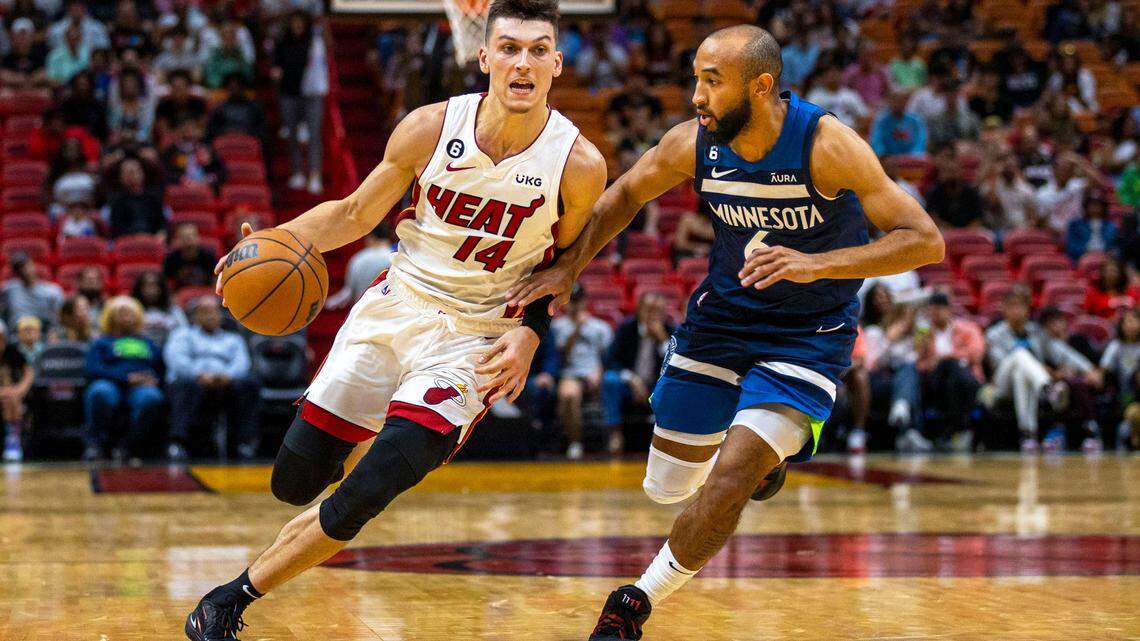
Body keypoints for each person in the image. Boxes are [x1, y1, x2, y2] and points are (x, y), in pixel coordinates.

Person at [184, 1, 608, 639]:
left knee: (372, 488)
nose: (524, 63)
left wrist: (532, 333)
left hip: (478, 334)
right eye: (512, 48)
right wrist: (267, 242)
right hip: (398, 304)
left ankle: (233, 597)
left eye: (539, 50)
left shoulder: (578, 164)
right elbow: (355, 212)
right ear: (485, 55)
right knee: (294, 483)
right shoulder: (430, 128)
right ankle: (348, 458)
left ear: (556, 62)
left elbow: (565, 264)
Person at [505, 25, 943, 639]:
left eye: (712, 81)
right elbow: (628, 191)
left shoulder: (827, 145)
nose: (696, 96)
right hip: (721, 322)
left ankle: (634, 602)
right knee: (668, 487)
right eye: (696, 79)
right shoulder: (696, 144)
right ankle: (765, 463)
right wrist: (570, 268)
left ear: (761, 87)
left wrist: (813, 263)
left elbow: (925, 241)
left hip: (809, 333)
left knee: (730, 477)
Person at [163, 296, 258, 461]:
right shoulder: (182, 335)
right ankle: (178, 443)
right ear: (195, 316)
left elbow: (242, 363)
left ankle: (243, 443)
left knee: (249, 384)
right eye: (205, 311)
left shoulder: (233, 339)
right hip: (193, 382)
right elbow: (177, 361)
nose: (210, 315)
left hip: (224, 383)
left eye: (214, 311)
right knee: (185, 384)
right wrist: (199, 375)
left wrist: (227, 376)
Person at [982, 293, 1071, 452]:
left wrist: (1088, 368)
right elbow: (999, 362)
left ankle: (1028, 435)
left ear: (1027, 310)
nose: (1016, 310)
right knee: (1020, 355)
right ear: (1004, 310)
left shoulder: (1036, 331)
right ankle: (1048, 388)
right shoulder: (994, 334)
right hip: (1001, 383)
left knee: (1021, 375)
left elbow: (1061, 352)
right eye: (1012, 306)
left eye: (1020, 306)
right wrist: (1040, 367)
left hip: (1027, 380)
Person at [82, 296, 164, 462]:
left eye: (131, 313)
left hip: (141, 387)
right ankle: (98, 445)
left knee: (151, 397)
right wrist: (125, 378)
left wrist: (153, 379)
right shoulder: (102, 342)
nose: (127, 317)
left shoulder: (148, 343)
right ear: (111, 316)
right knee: (100, 392)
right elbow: (93, 368)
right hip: (110, 382)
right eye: (122, 313)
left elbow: (161, 368)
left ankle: (130, 445)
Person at [603, 291, 673, 454]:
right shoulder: (626, 328)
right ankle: (615, 433)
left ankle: (666, 438)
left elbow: (676, 368)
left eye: (658, 311)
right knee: (610, 380)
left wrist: (663, 340)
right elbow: (611, 361)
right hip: (629, 384)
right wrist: (632, 379)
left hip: (656, 387)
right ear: (639, 310)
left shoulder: (670, 331)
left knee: (676, 385)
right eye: (649, 310)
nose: (653, 316)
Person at [914, 292, 983, 451]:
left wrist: (945, 358)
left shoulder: (967, 329)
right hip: (936, 383)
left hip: (963, 380)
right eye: (932, 309)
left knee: (953, 370)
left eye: (939, 309)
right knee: (951, 367)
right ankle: (962, 430)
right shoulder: (924, 333)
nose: (936, 313)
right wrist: (933, 359)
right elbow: (918, 364)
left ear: (949, 310)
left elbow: (976, 354)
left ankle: (954, 429)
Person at [551, 284, 613, 460]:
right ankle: (575, 442)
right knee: (568, 396)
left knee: (611, 385)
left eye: (578, 301)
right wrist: (577, 329)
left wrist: (598, 373)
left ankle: (612, 440)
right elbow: (560, 357)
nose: (574, 305)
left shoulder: (600, 327)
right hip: (571, 372)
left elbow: (608, 357)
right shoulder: (558, 327)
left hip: (595, 372)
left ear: (585, 301)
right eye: (571, 301)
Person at [273, 10, 328, 194]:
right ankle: (297, 172)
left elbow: (325, 57)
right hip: (289, 93)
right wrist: (277, 73)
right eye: (294, 23)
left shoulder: (314, 43)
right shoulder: (282, 43)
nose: (297, 27)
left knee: (314, 135)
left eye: (300, 23)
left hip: (312, 93)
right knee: (292, 135)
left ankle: (314, 174)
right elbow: (276, 65)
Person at [324, 223, 394, 309]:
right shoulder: (397, 259)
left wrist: (327, 303)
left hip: (362, 313)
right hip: (389, 314)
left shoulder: (358, 259)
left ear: (370, 237)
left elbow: (348, 293)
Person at [106, 156, 168, 239]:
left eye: (136, 171)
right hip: (128, 243)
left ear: (142, 173)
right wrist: (137, 237)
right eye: (128, 172)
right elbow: (117, 229)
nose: (133, 175)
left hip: (153, 241)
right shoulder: (117, 201)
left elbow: (161, 223)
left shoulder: (153, 198)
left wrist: (161, 234)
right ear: (121, 177)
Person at [0, 321, 33, 462]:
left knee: (12, 399)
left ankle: (12, 439)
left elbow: (29, 372)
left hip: (13, 394)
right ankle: (12, 437)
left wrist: (20, 389)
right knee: (9, 398)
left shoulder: (12, 351)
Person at [2, 254, 64, 329]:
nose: (24, 270)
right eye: (19, 268)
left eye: (26, 266)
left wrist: (54, 332)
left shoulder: (52, 291)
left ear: (33, 265)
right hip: (16, 334)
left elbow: (60, 317)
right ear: (15, 272)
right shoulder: (9, 290)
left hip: (44, 332)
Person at [131, 271, 187, 347]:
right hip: (140, 351)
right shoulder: (132, 309)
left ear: (161, 288)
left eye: (154, 285)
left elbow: (184, 333)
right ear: (139, 289)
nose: (150, 290)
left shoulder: (174, 310)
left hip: (170, 350)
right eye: (146, 286)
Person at [869, 88, 928, 158]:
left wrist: (913, 155)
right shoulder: (881, 121)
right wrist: (883, 154)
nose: (899, 103)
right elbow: (877, 142)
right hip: (888, 159)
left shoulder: (915, 120)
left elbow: (920, 141)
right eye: (896, 100)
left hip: (911, 159)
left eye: (902, 100)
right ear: (890, 101)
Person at [1065, 189, 1117, 261]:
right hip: (1082, 258)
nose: (1095, 207)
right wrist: (1086, 251)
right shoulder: (1075, 224)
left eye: (1098, 204)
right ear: (1086, 206)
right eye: (1092, 204)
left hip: (1105, 259)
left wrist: (1108, 253)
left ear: (1103, 207)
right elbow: (1071, 246)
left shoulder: (1111, 226)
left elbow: (1115, 246)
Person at [164, 223, 217, 290]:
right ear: (178, 240)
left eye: (192, 236)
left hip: (205, 295)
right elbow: (165, 282)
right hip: (180, 295)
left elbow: (216, 279)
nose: (189, 239)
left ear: (198, 238)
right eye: (184, 237)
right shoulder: (171, 259)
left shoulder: (208, 256)